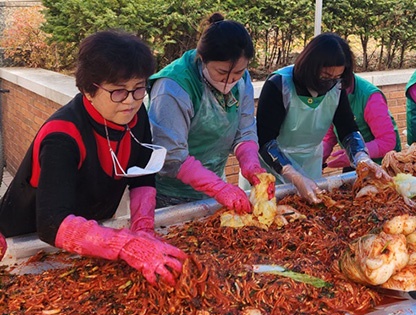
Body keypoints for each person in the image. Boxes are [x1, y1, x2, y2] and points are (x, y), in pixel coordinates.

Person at [0, 30, 187, 286]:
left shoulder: (134, 113)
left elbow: (143, 172)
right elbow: (51, 223)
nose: (130, 101)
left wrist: (143, 230)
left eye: (139, 88)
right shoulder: (62, 135)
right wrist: (125, 244)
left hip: (94, 238)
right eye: (118, 91)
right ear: (88, 90)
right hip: (28, 244)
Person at [148, 12, 271, 212]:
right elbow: (171, 155)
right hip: (169, 194)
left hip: (214, 184)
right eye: (221, 72)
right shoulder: (172, 87)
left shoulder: (243, 79)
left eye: (238, 72)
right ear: (202, 59)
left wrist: (251, 165)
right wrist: (218, 187)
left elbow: (245, 130)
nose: (230, 80)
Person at [256, 33, 390, 204]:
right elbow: (265, 140)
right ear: (310, 68)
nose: (329, 84)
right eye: (325, 77)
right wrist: (294, 176)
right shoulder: (279, 84)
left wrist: (362, 158)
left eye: (336, 78)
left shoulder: (336, 86)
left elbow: (347, 128)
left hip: (310, 163)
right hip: (271, 167)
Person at [321, 37, 401, 171]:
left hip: (383, 166)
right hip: (353, 162)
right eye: (325, 77)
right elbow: (330, 133)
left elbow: (387, 141)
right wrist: (319, 157)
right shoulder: (329, 91)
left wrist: (355, 153)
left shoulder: (370, 97)